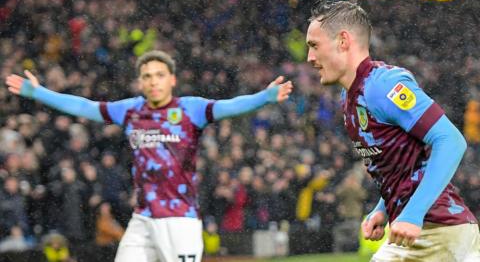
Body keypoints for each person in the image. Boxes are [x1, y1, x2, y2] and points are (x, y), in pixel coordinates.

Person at [5, 50, 293, 262]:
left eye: (159, 75)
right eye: (146, 76)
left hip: (180, 219)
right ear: (140, 83)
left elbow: (230, 106)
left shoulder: (190, 109)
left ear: (172, 80)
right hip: (142, 218)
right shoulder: (130, 110)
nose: (153, 81)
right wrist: (39, 93)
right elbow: (84, 107)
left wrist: (264, 97)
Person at [305, 0, 479, 261]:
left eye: (314, 46)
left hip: (438, 231)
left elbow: (451, 140)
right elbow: (404, 167)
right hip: (429, 232)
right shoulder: (349, 97)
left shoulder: (383, 85)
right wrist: (383, 210)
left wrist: (413, 213)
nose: (310, 57)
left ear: (343, 41)